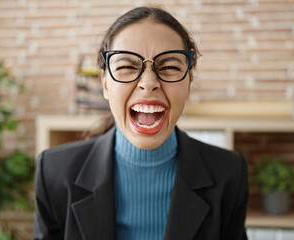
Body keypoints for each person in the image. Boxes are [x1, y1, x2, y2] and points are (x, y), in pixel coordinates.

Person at [34, 6, 248, 240]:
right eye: (126, 67)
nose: (148, 83)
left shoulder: (229, 174)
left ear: (189, 81)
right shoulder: (53, 173)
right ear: (105, 83)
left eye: (168, 67)